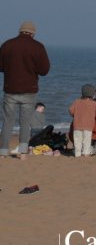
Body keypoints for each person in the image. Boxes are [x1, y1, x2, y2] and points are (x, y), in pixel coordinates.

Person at [0, 21, 52, 159]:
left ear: (20, 31)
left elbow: (0, 66)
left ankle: (3, 152)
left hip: (10, 89)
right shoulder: (38, 46)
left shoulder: (7, 44)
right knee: (25, 122)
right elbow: (44, 70)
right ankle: (23, 153)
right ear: (32, 33)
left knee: (7, 122)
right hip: (29, 90)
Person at [69, 84, 96, 158]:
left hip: (77, 125)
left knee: (77, 140)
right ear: (92, 95)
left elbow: (71, 110)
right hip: (88, 126)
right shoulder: (93, 103)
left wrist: (75, 115)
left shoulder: (76, 101)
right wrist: (95, 97)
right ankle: (86, 153)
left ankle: (77, 154)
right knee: (87, 140)